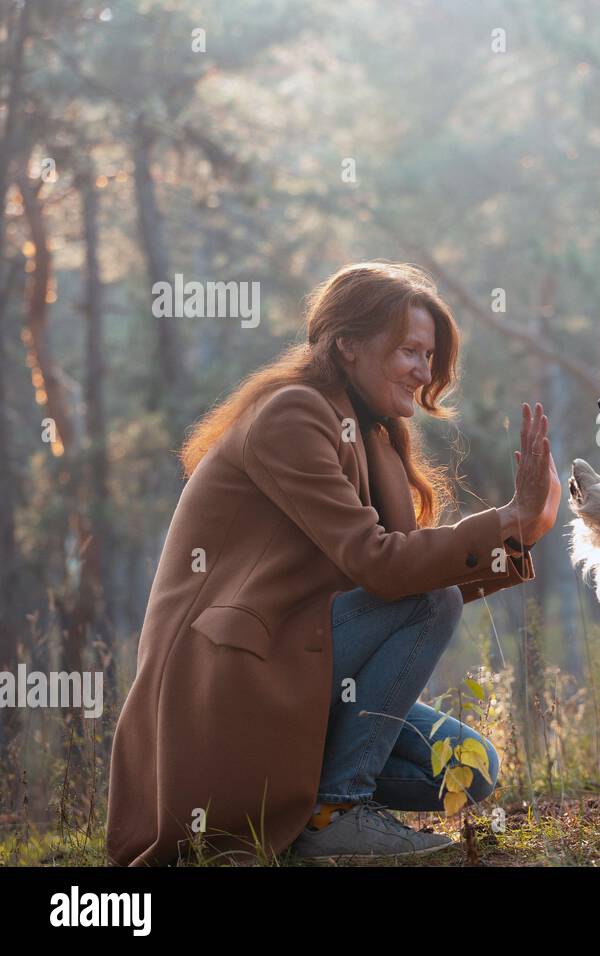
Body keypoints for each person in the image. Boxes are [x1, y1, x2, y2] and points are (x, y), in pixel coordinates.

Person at [105, 261, 562, 865]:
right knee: (431, 602)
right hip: (232, 683)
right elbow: (389, 572)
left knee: (468, 770)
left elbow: (409, 572)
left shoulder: (374, 436)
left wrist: (522, 534)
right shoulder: (292, 415)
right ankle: (337, 811)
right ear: (347, 343)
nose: (423, 372)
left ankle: (314, 809)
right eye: (409, 351)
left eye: (430, 357)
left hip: (301, 666)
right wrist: (503, 522)